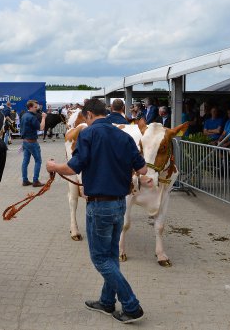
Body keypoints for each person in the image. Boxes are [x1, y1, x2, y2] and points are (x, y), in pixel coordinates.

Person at [46, 99, 147, 323]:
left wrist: (54, 167)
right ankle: (107, 301)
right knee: (111, 256)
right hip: (120, 203)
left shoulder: (88, 134)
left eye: (85, 118)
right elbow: (143, 168)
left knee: (100, 258)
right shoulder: (125, 137)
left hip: (99, 205)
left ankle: (131, 305)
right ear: (107, 113)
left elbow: (73, 167)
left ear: (90, 115)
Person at [20, 100, 47, 187]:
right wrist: (43, 118)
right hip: (32, 142)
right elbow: (41, 128)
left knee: (25, 161)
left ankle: (25, 180)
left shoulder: (24, 115)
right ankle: (35, 181)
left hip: (25, 141)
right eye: (35, 107)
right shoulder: (32, 117)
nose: (37, 109)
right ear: (30, 107)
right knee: (38, 161)